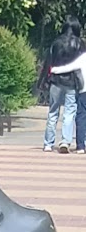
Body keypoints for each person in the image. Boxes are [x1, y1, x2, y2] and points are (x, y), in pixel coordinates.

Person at [39, 17, 83, 153]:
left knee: (53, 112)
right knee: (69, 112)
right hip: (72, 82)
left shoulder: (56, 43)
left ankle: (48, 143)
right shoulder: (80, 43)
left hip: (55, 81)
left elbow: (48, 62)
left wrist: (43, 80)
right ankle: (65, 141)